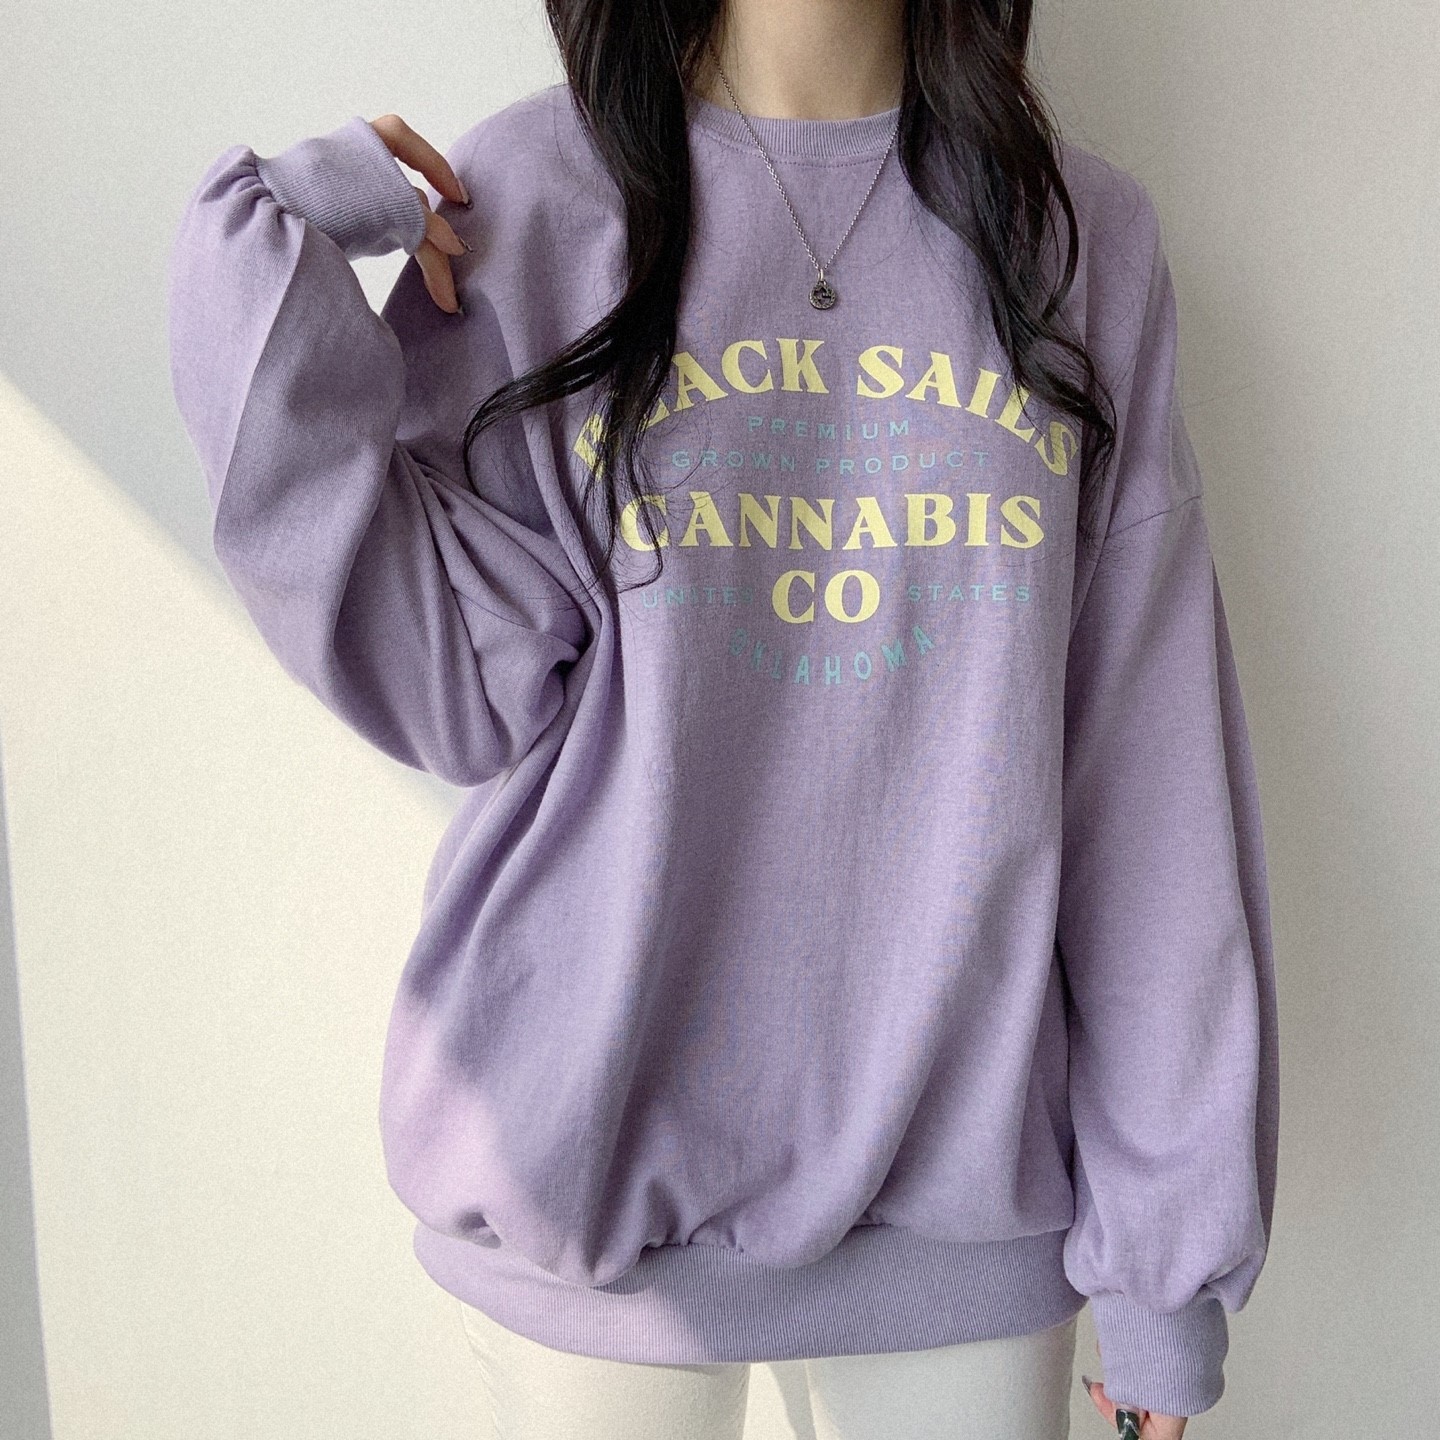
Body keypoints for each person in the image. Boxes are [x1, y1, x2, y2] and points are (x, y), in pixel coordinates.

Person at [166, 0, 1279, 1436]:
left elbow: (1146, 767)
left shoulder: (1075, 239)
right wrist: (277, 247)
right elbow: (448, 686)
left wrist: (1165, 1267)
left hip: (962, 1224)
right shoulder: (530, 206)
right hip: (590, 1193)